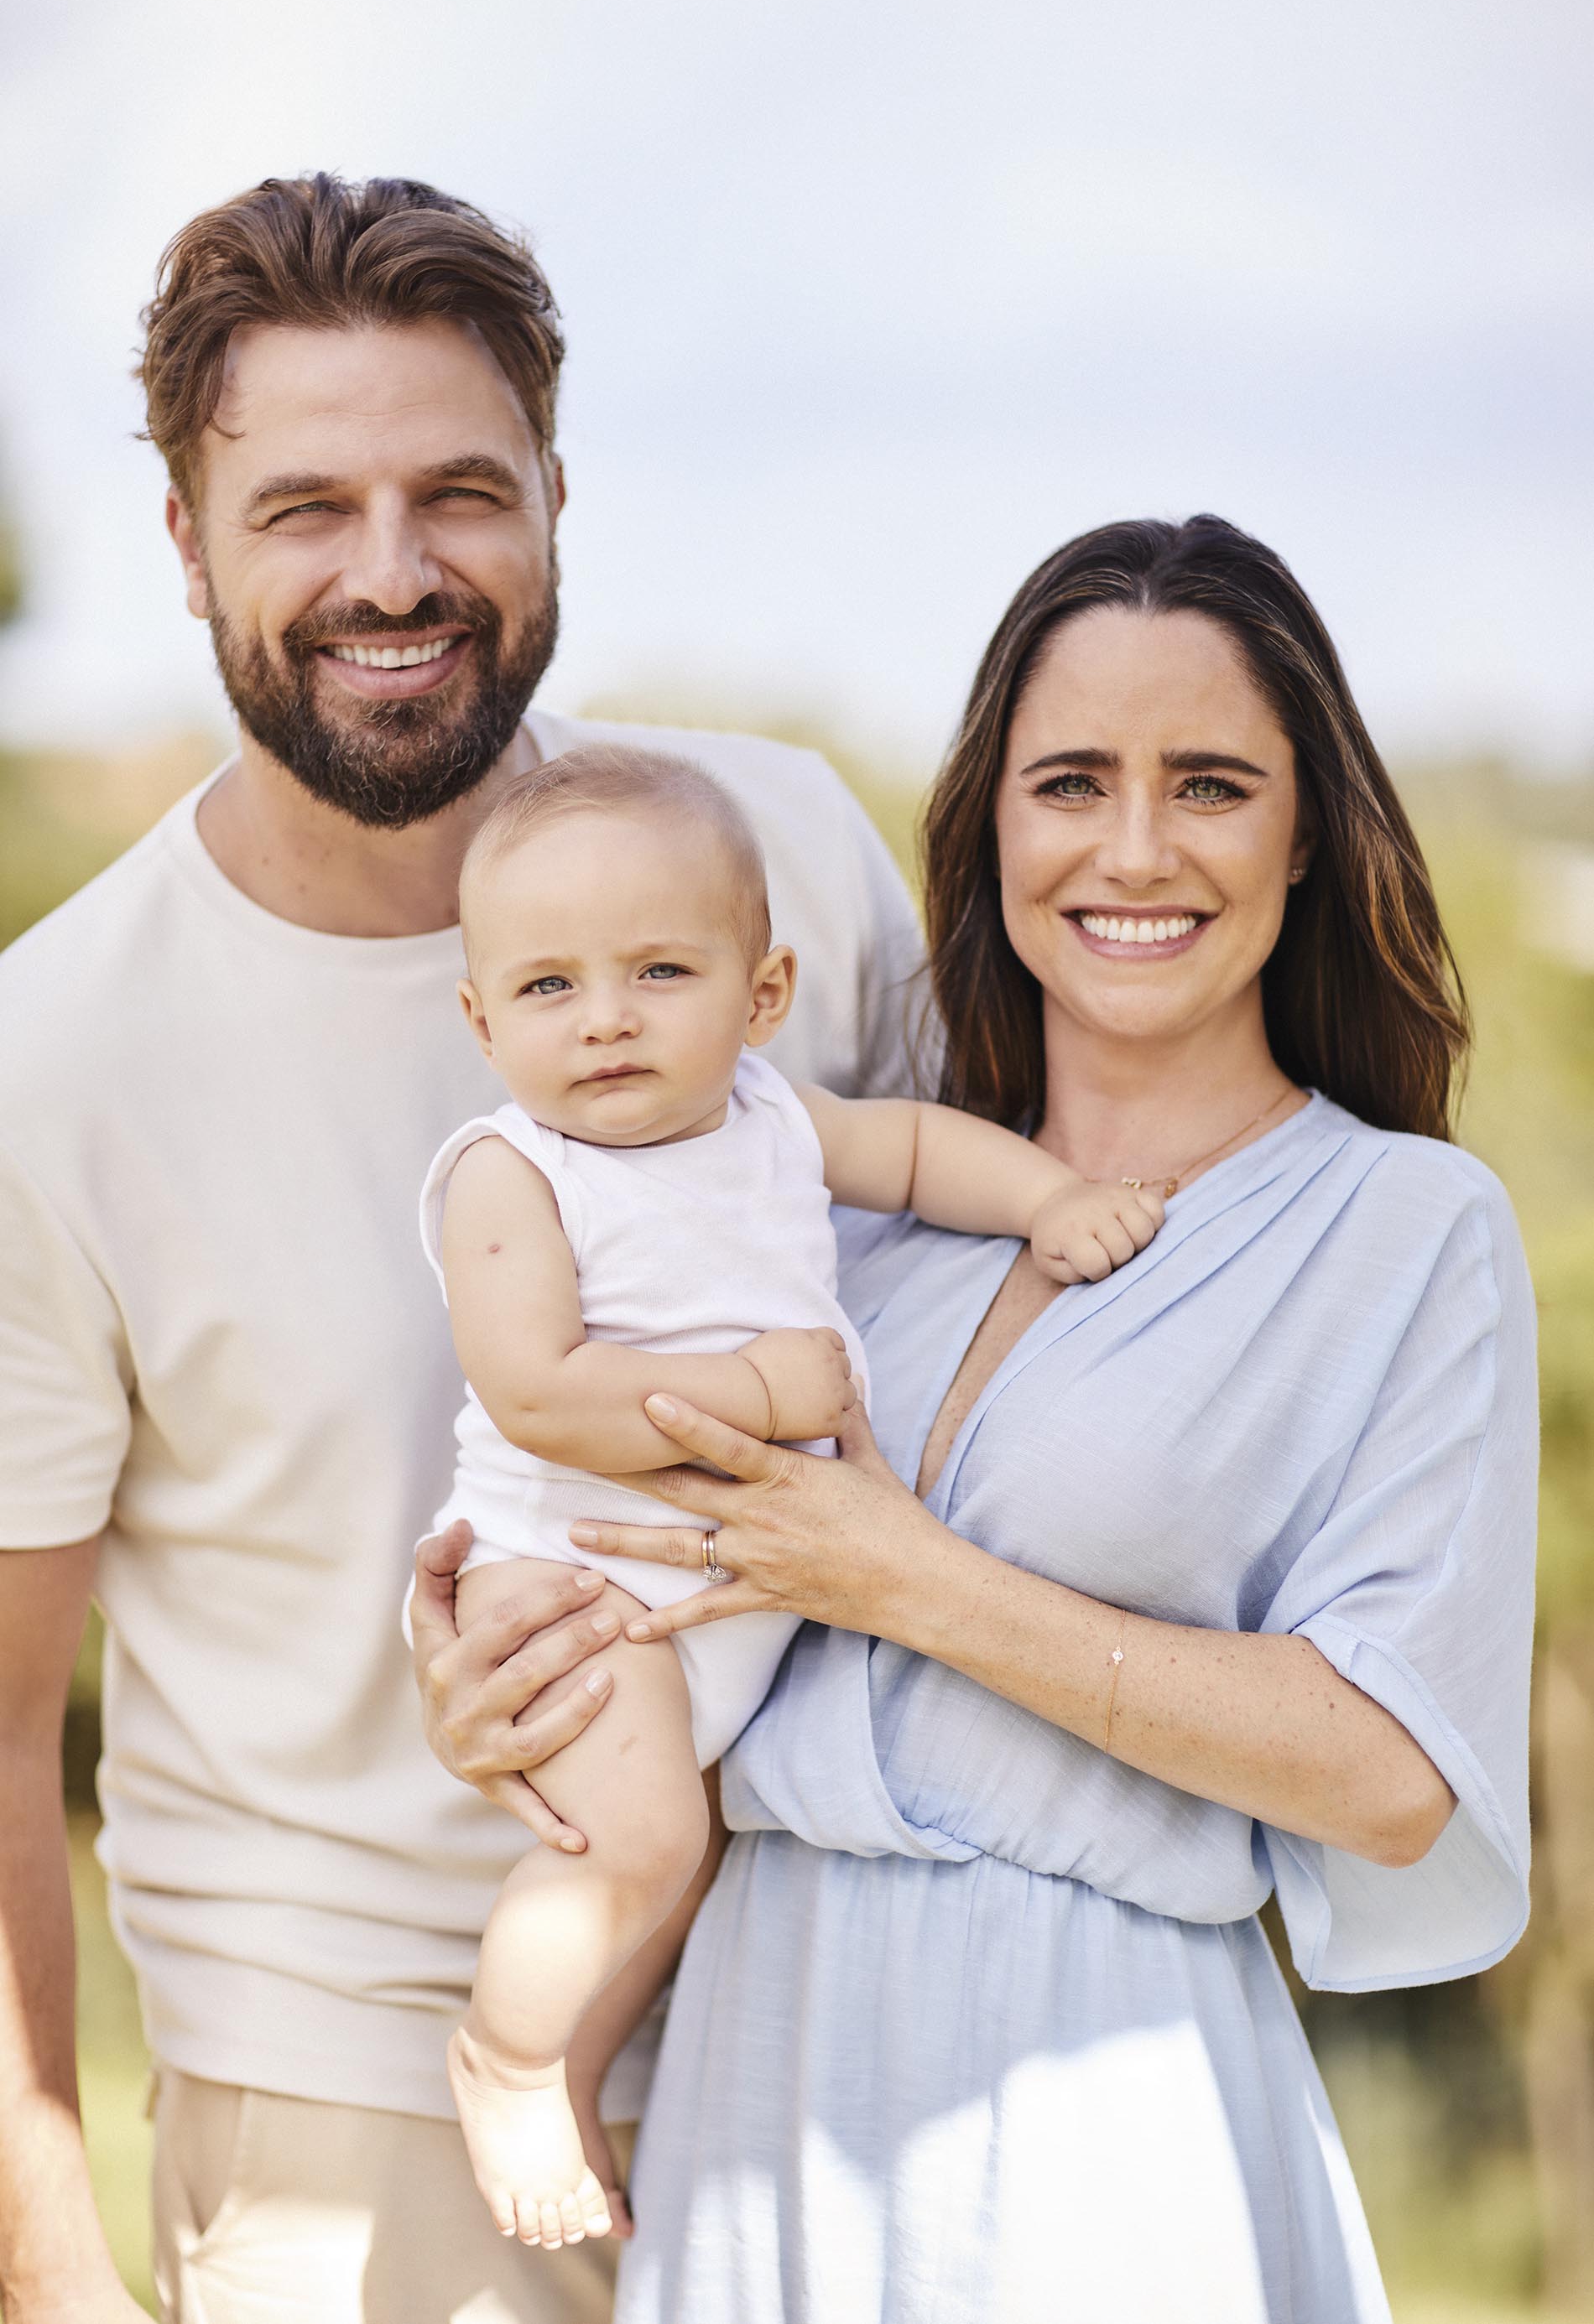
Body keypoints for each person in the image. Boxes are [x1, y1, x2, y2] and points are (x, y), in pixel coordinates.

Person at [424, 516, 1536, 2322]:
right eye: (1069, 782)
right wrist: (483, 1668)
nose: (1131, 848)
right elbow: (603, 1479)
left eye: (1210, 786)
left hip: (1087, 2083)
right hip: (752, 2060)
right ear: (991, 821)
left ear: (1306, 830)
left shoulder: (1401, 1232)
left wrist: (910, 1581)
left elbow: (1394, 1776)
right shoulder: (831, 1184)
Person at [0, 173, 926, 2324]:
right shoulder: (48, 1060)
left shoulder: (788, 855)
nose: (392, 574)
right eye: (306, 504)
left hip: (839, 2033)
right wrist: (45, 2279)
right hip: (360, 2135)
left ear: (558, 501)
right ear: (183, 537)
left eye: (460, 493)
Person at [423, 744, 1162, 2249]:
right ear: (482, 1016)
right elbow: (539, 1389)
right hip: (573, 1576)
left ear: (761, 995)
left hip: (712, 1590)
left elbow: (907, 1149)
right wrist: (778, 1389)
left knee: (675, 1865)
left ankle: (563, 2062)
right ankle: (507, 2059)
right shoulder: (514, 1172)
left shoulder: (768, 1116)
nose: (608, 1016)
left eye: (660, 970)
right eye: (550, 987)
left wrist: (1047, 1201)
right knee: (644, 1850)